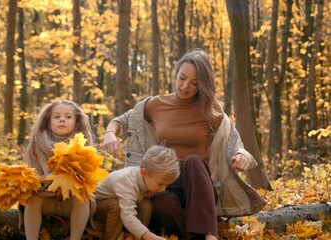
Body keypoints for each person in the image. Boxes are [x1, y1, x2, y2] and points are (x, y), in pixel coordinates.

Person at [103, 49, 267, 240]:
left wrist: (241, 155)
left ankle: (209, 235)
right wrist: (109, 133)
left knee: (193, 161)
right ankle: (200, 235)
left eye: (194, 83)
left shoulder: (209, 109)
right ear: (175, 74)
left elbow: (233, 140)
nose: (185, 86)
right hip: (165, 185)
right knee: (164, 208)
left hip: (199, 186)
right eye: (182, 78)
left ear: (202, 85)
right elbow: (122, 120)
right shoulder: (155, 105)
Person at [18, 100, 94, 240]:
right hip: (44, 199)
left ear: (77, 123)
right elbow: (33, 177)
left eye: (68, 117)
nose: (62, 120)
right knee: (33, 198)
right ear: (48, 122)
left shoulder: (83, 145)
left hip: (70, 203)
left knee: (82, 198)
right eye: (57, 117)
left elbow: (86, 181)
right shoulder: (37, 144)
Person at [91, 145, 179, 240]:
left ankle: (133, 237)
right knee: (116, 205)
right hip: (97, 206)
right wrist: (151, 237)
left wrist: (151, 193)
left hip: (120, 206)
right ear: (143, 173)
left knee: (146, 204)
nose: (163, 189)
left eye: (166, 185)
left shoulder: (146, 178)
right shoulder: (127, 182)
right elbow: (128, 216)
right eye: (160, 184)